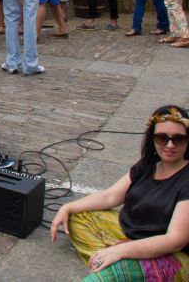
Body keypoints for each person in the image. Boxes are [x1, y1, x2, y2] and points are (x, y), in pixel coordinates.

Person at [50, 105, 189, 281]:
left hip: (169, 254)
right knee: (76, 216)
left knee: (98, 279)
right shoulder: (148, 164)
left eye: (178, 139)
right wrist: (68, 206)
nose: (169, 145)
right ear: (152, 139)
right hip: (128, 236)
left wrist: (119, 251)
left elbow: (175, 240)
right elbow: (111, 196)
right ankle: (121, 265)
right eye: (162, 138)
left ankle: (119, 266)